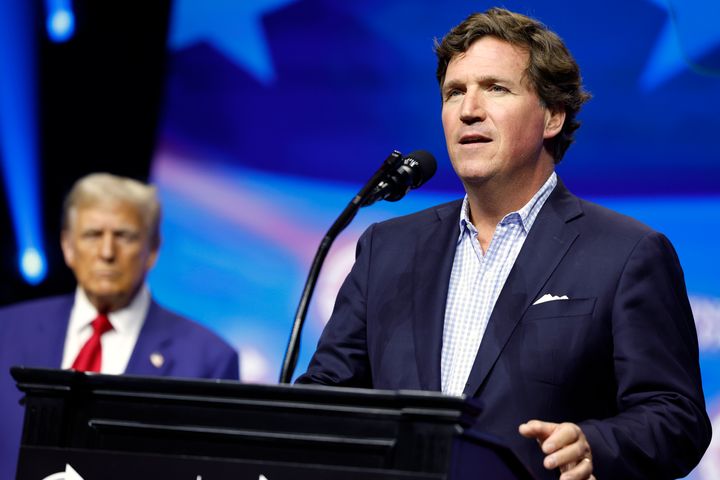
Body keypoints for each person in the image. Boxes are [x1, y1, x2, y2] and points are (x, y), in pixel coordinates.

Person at [297, 7, 710, 480]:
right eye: (455, 92)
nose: (469, 109)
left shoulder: (628, 254)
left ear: (552, 116)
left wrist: (595, 444)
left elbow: (676, 417)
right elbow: (325, 396)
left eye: (496, 88)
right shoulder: (386, 247)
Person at [0, 172, 239, 478]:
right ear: (67, 246)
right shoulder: (6, 331)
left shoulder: (209, 360)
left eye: (124, 236)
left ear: (152, 249)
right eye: (92, 235)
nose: (107, 252)